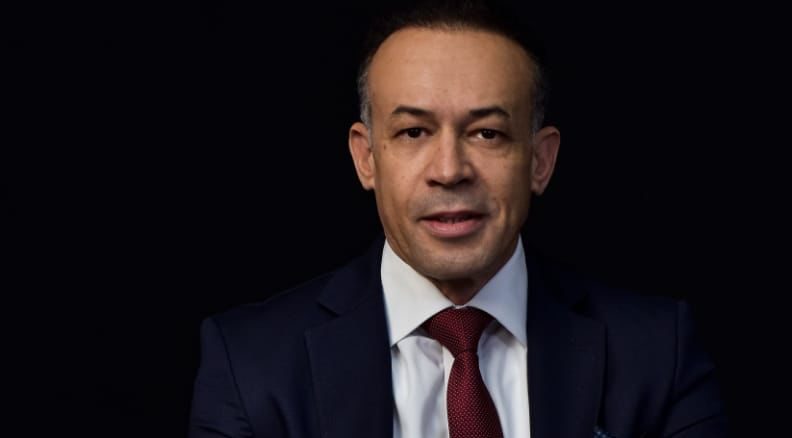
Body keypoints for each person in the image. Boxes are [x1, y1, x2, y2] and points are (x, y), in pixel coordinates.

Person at [188, 1, 728, 437]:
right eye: (413, 132)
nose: (449, 171)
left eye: (487, 133)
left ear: (540, 161)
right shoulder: (250, 366)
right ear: (366, 157)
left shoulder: (657, 354)